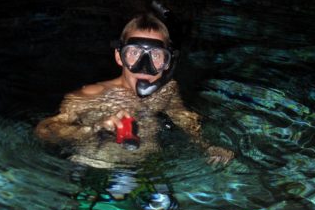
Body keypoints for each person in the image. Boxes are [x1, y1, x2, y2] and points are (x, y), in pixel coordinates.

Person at [35, 13, 234, 168]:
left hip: (146, 167)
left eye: (156, 56)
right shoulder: (91, 95)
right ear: (119, 57)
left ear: (167, 63)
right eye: (135, 54)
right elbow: (44, 131)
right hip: (94, 164)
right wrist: (93, 128)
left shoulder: (167, 91)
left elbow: (183, 118)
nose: (144, 66)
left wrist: (207, 146)